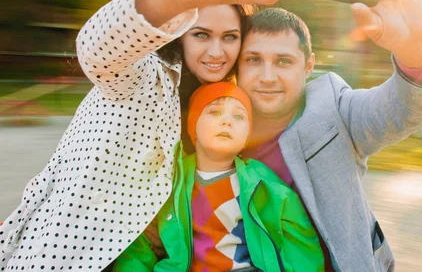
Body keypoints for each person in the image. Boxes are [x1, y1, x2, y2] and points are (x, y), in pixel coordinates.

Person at [0, 0, 303, 270]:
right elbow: (96, 51)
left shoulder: (219, 109)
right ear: (181, 35)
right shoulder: (144, 76)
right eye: (201, 35)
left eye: (230, 37)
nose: (216, 52)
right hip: (65, 256)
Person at [113, 82, 324, 271]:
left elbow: (300, 245)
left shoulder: (265, 184)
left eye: (239, 116)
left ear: (246, 136)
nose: (227, 121)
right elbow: (138, 250)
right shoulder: (169, 181)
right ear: (193, 124)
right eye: (214, 113)